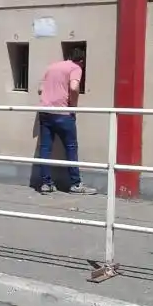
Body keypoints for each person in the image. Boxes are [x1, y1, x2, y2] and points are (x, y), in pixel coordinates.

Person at [35, 48, 96, 195]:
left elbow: (40, 89)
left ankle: (46, 183)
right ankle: (75, 184)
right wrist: (73, 107)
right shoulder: (76, 68)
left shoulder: (52, 67)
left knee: (45, 148)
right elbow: (74, 87)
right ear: (81, 61)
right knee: (71, 147)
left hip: (45, 111)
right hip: (63, 113)